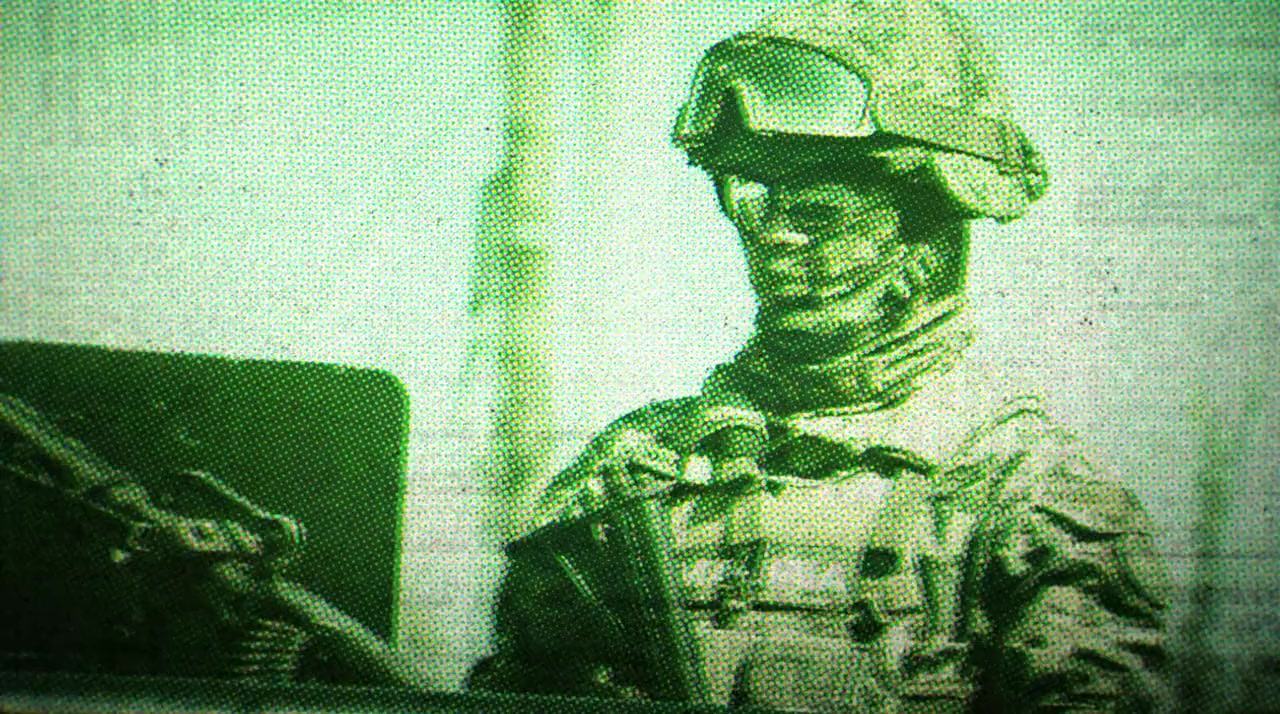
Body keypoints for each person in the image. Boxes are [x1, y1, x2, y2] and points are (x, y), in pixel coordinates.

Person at [470, 1, 1170, 711]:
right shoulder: (629, 477)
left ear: (926, 222)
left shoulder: (1028, 496)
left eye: (816, 208)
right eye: (755, 200)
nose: (773, 236)